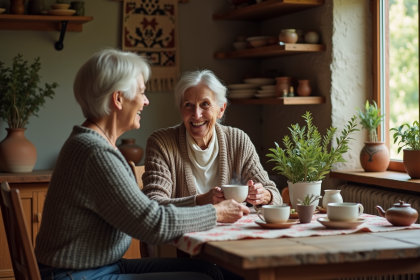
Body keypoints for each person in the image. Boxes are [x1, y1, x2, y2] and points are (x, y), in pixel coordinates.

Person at [34, 49, 250, 280]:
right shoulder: (95, 153)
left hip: (101, 266)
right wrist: (215, 212)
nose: (146, 101)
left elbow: (145, 214)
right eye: (141, 92)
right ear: (118, 99)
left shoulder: (91, 143)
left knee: (208, 271)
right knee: (207, 278)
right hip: (78, 275)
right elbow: (153, 223)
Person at [142, 69, 282, 208]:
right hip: (185, 230)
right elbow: (153, 203)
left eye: (205, 104)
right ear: (181, 110)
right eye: (188, 105)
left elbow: (275, 195)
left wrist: (265, 196)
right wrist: (201, 200)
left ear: (221, 109)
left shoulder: (238, 141)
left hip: (230, 229)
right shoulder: (161, 143)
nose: (196, 115)